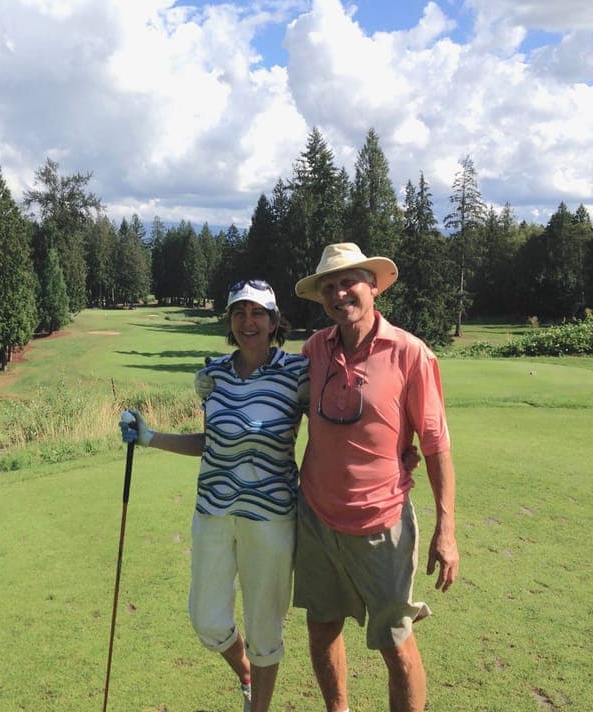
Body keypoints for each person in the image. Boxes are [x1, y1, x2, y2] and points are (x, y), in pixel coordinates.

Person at [120, 280, 309, 712]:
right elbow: (211, 442)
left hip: (272, 520)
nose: (248, 321)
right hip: (213, 513)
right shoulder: (215, 375)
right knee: (207, 620)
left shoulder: (297, 373)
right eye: (239, 313)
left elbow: (336, 421)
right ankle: (245, 672)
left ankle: (256, 704)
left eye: (257, 312)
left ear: (274, 320)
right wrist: (150, 437)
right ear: (229, 322)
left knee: (265, 629)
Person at [291, 242, 460, 712]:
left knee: (395, 642)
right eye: (329, 286)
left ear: (373, 288)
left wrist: (446, 529)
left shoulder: (410, 353)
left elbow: (436, 446)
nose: (339, 293)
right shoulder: (313, 349)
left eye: (349, 282)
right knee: (322, 627)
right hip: (317, 519)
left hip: (381, 524)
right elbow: (274, 390)